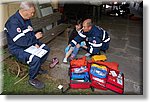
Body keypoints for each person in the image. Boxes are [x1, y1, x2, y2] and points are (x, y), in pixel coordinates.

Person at [4, 1, 58, 89]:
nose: (33, 14)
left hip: (28, 43)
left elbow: (30, 33)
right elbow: (20, 42)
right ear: (25, 11)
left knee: (45, 49)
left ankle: (37, 68)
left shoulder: (26, 19)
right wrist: (35, 39)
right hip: (17, 48)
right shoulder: (13, 22)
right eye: (31, 12)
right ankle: (32, 79)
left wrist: (35, 43)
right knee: (35, 59)